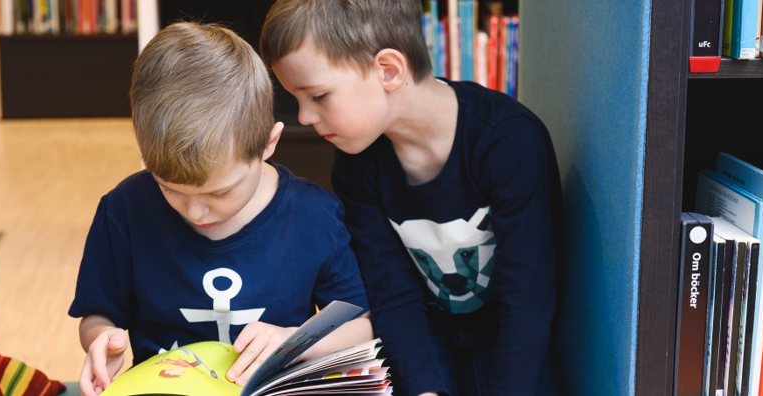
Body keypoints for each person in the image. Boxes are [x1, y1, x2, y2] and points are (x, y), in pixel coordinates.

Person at [260, 1, 562, 395]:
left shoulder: (508, 143)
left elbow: (530, 301)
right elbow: (392, 293)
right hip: (424, 342)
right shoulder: (357, 165)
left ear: (388, 70)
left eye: (318, 95)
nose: (303, 116)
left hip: (510, 345)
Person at [68, 21, 372, 396]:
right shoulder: (123, 210)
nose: (195, 212)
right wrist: (102, 338)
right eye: (169, 189)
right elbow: (98, 313)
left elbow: (361, 322)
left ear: (268, 143)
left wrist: (292, 341)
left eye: (221, 193)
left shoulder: (314, 217)